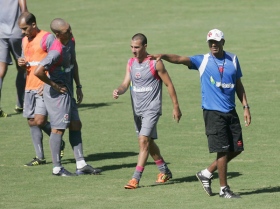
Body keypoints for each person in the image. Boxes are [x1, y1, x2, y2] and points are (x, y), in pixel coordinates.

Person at [148, 29, 251, 198]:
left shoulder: (233, 59)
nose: (213, 45)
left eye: (216, 42)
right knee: (222, 151)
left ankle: (206, 172)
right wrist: (163, 55)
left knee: (237, 148)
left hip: (231, 112)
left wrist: (246, 107)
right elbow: (180, 59)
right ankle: (224, 189)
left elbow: (238, 84)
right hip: (213, 113)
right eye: (210, 42)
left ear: (223, 42)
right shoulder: (202, 61)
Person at [113, 33, 182, 189]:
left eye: (136, 47)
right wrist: (119, 90)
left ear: (145, 46)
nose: (133, 50)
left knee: (143, 141)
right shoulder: (131, 63)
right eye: (131, 47)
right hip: (137, 110)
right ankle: (164, 170)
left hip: (152, 108)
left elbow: (169, 84)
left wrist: (176, 106)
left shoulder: (155, 64)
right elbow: (125, 83)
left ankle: (135, 178)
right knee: (148, 142)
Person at [34, 18, 102, 176]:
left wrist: (78, 86)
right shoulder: (55, 51)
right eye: (67, 32)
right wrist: (54, 85)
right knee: (58, 129)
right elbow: (38, 71)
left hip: (69, 90)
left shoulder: (70, 41)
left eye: (70, 29)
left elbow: (73, 62)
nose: (71, 33)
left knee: (76, 124)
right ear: (57, 34)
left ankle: (81, 164)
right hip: (58, 94)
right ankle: (57, 168)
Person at [17, 12, 65, 166]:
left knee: (40, 120)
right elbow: (28, 60)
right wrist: (21, 62)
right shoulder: (24, 40)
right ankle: (40, 157)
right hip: (29, 85)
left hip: (41, 85)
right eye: (21, 29)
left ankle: (57, 139)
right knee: (31, 121)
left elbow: (55, 59)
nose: (23, 32)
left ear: (33, 24)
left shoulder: (47, 38)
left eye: (25, 29)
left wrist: (48, 83)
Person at [0, 0, 28, 117]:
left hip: (1, 34)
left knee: (1, 71)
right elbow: (24, 10)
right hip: (17, 33)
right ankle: (21, 104)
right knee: (22, 67)